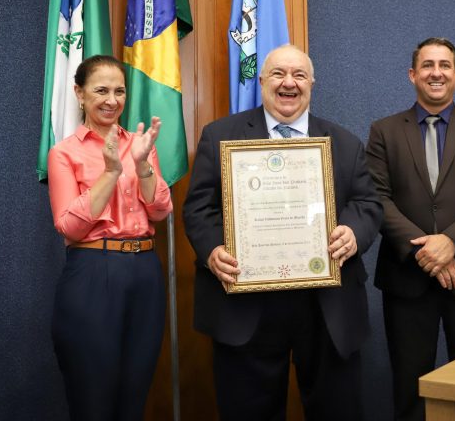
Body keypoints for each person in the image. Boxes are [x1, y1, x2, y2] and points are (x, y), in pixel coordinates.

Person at [183, 44, 382, 420]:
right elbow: (198, 208)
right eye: (278, 74)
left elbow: (368, 204)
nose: (288, 83)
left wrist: (354, 232)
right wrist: (211, 250)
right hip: (246, 303)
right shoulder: (220, 135)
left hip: (327, 306)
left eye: (299, 75)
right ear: (261, 82)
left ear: (311, 84)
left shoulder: (345, 142)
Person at [366, 37, 455, 421]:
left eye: (445, 65)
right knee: (411, 389)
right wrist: (425, 253)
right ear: (412, 75)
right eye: (427, 65)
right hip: (406, 282)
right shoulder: (383, 131)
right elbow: (376, 198)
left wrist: (451, 242)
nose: (436, 73)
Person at [47, 55, 173, 421]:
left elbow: (161, 211)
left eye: (119, 91)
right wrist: (112, 171)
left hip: (145, 269)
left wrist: (144, 164)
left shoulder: (140, 143)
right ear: (79, 93)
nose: (111, 100)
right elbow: (69, 226)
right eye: (101, 90)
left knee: (134, 396)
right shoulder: (64, 152)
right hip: (92, 270)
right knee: (92, 398)